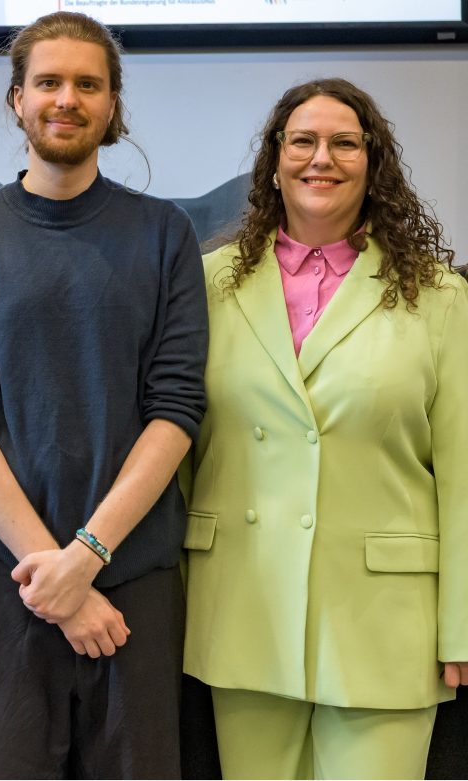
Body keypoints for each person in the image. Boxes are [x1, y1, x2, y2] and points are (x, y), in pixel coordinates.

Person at [0, 12, 208, 778]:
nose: (67, 99)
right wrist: (54, 575)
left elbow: (176, 409)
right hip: (4, 577)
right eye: (48, 81)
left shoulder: (165, 234)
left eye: (89, 84)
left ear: (113, 104)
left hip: (133, 573)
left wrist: (88, 555)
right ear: (18, 99)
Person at [182, 77, 468, 779]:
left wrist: (461, 620)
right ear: (274, 160)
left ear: (374, 162)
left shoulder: (438, 295)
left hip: (384, 616)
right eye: (303, 141)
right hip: (245, 603)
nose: (322, 158)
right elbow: (180, 448)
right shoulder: (206, 284)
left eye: (345, 143)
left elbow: (463, 474)